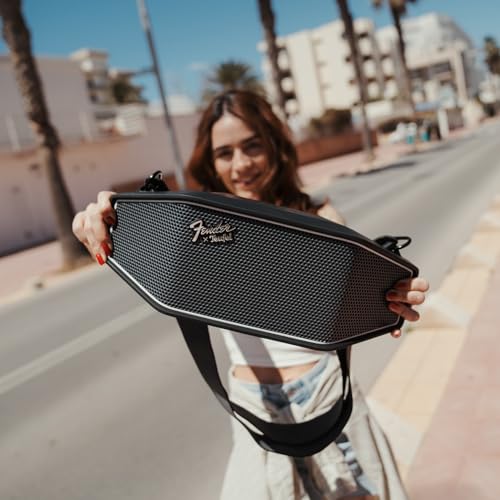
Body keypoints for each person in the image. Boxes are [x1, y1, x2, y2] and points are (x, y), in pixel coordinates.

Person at [72, 90, 429, 500]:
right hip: (251, 408)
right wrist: (104, 218)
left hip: (326, 396)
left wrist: (392, 300)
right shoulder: (201, 227)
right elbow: (135, 232)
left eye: (252, 146)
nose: (240, 164)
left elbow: (360, 301)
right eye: (225, 153)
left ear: (274, 145)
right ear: (211, 161)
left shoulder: (321, 219)